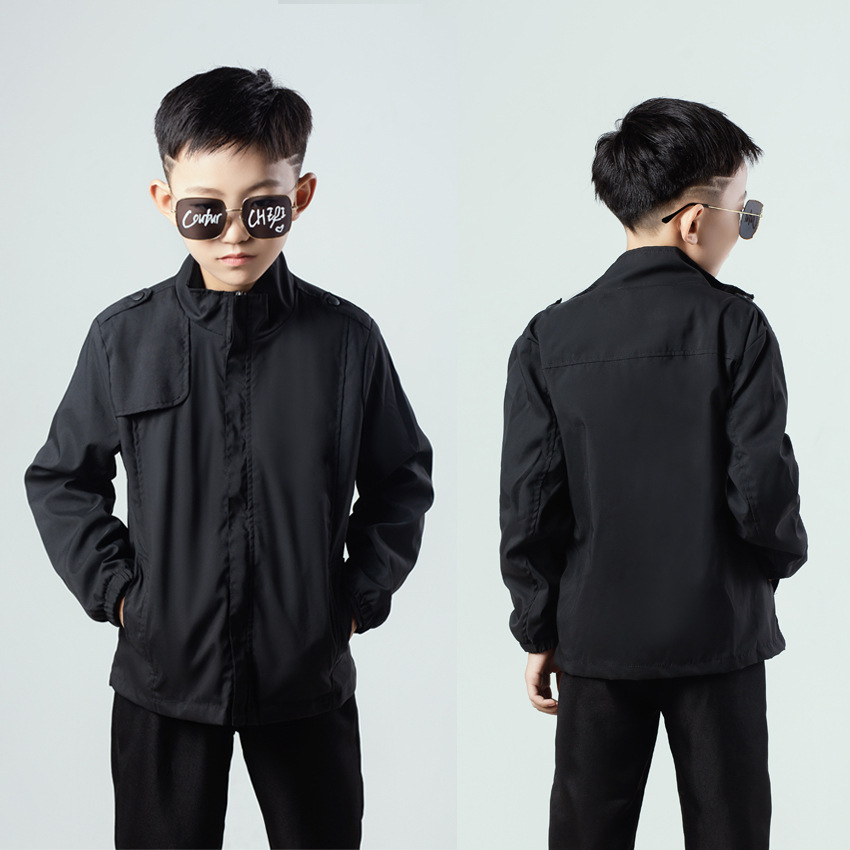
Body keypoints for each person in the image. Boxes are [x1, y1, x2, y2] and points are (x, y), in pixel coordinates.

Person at [24, 66, 433, 850]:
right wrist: (123, 599)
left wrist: (351, 601)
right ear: (165, 201)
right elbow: (63, 479)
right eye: (205, 211)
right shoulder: (123, 339)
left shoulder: (347, 342)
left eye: (262, 206)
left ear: (301, 196)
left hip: (304, 678)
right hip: (163, 681)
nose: (235, 234)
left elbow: (401, 480)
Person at [499, 97, 807, 850]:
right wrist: (776, 562)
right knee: (731, 830)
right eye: (744, 212)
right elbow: (760, 486)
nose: (744, 228)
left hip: (595, 637)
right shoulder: (737, 326)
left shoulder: (549, 338)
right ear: (695, 220)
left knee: (587, 832)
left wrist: (538, 625)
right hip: (720, 630)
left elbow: (530, 504)